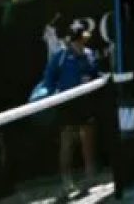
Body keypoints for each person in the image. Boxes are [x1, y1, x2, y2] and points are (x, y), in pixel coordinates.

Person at [39, 23, 102, 195]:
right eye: (81, 38)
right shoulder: (59, 57)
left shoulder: (89, 55)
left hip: (86, 104)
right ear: (76, 39)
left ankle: (90, 177)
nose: (84, 41)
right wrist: (50, 97)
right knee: (67, 144)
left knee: (88, 140)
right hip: (67, 106)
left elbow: (97, 74)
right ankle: (66, 181)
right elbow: (48, 81)